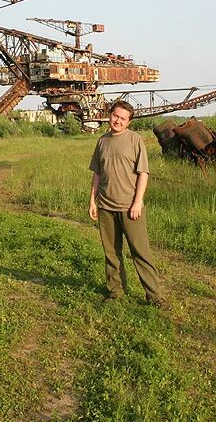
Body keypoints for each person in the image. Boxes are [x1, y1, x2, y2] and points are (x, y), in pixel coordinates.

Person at [89, 100, 169, 309]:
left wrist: (137, 202)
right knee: (111, 252)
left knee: (140, 252)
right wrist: (93, 201)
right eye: (115, 116)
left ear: (129, 122)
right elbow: (97, 174)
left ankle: (154, 296)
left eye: (122, 118)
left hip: (130, 208)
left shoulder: (135, 140)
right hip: (106, 206)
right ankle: (115, 291)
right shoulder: (102, 141)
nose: (117, 121)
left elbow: (143, 173)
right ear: (110, 115)